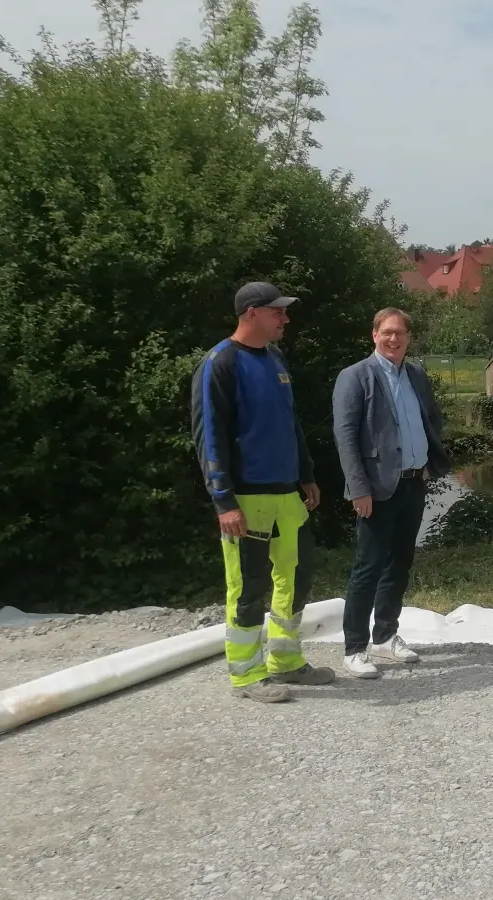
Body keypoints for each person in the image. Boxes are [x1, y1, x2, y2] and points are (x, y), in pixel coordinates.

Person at [191, 281, 333, 703]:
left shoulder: (275, 358)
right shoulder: (220, 363)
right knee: (248, 586)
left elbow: (290, 423)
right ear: (251, 313)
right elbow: (209, 437)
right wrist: (223, 500)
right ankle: (247, 674)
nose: (285, 318)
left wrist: (306, 474)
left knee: (297, 575)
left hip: (286, 495)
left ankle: (286, 661)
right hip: (245, 499)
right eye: (278, 311)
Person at [332, 307, 452, 679]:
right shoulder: (356, 376)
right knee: (368, 566)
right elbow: (346, 437)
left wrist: (429, 460)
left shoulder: (415, 374)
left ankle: (385, 635)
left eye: (400, 333)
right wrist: (358, 488)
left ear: (409, 337)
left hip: (413, 482)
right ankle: (354, 647)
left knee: (400, 562)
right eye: (387, 332)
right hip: (376, 489)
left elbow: (432, 417)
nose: (394, 339)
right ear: (374, 335)